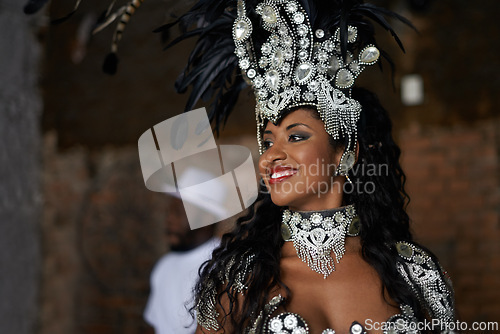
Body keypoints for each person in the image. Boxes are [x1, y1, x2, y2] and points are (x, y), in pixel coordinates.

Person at [158, 1, 457, 333]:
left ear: (345, 154)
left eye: (296, 136)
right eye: (268, 142)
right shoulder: (238, 280)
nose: (270, 157)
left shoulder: (416, 273)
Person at [144, 167, 224, 334]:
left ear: (207, 218)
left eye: (179, 213)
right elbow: (155, 326)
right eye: (169, 212)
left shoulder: (225, 265)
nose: (169, 219)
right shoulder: (164, 266)